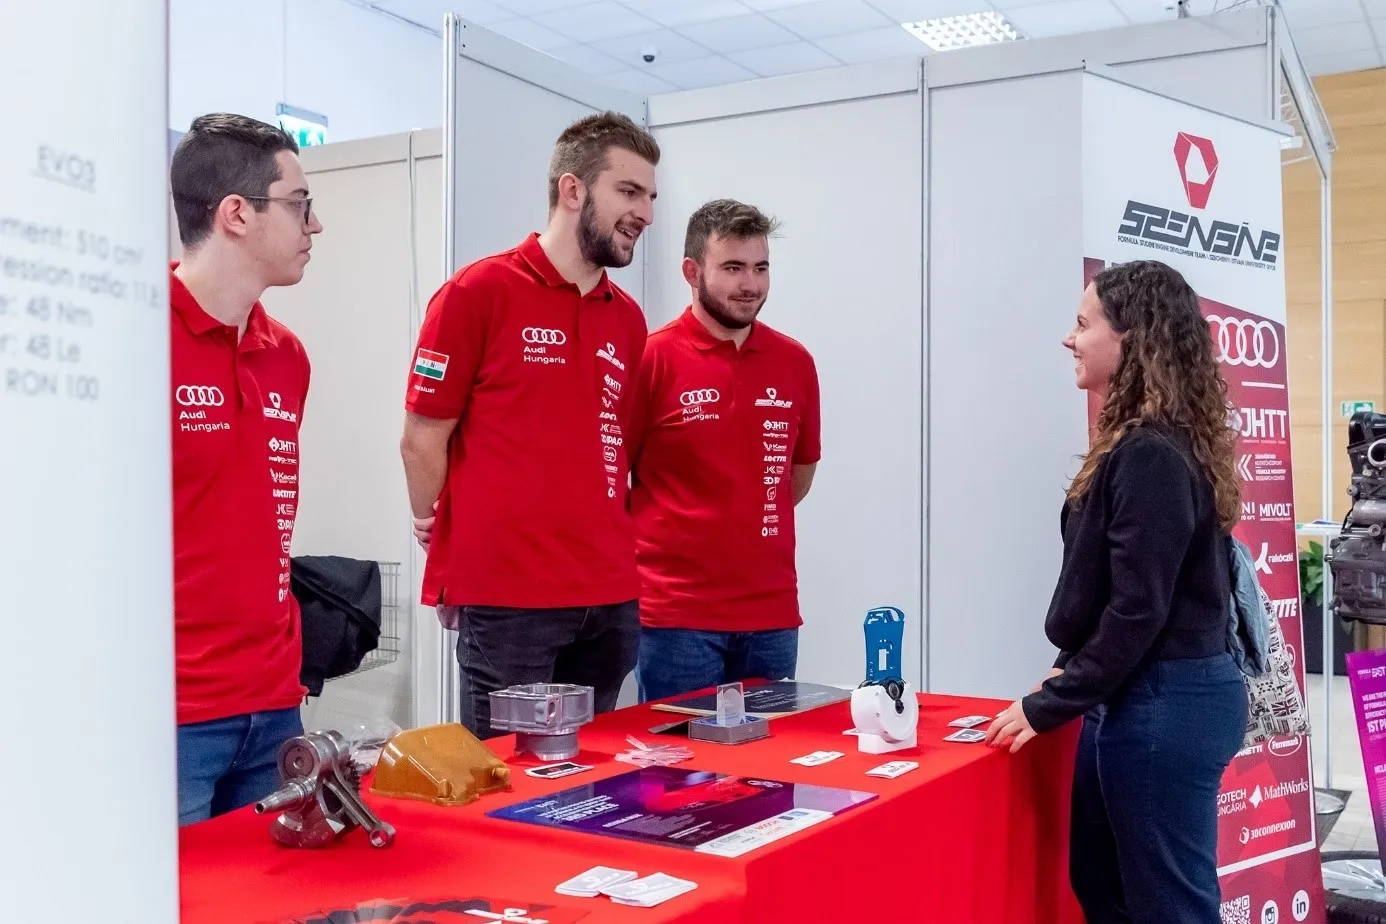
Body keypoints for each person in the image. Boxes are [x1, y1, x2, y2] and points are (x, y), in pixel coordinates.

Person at [984, 260, 1246, 923]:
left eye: (1082, 324)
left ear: (1131, 339)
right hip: (1139, 696)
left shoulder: (1152, 454)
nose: (1068, 339)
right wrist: (1073, 672)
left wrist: (1054, 699)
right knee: (1105, 887)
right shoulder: (1141, 444)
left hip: (1167, 701)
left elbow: (1138, 608)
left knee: (1169, 907)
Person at [400, 111, 660, 737]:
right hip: (511, 604)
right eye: (629, 192)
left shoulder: (626, 319)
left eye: (651, 197)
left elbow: (615, 447)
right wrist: (436, 527)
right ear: (573, 191)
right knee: (507, 789)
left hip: (610, 599)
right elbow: (421, 436)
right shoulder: (477, 292)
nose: (646, 213)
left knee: (590, 788)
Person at [168, 113, 324, 824]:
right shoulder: (136, 339)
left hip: (273, 707)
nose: (314, 226)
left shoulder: (285, 355)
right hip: (168, 715)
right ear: (236, 213)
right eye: (298, 204)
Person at [626, 199, 821, 702]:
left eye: (760, 268)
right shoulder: (651, 358)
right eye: (732, 268)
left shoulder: (794, 361)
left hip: (772, 616)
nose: (750, 285)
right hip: (675, 617)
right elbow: (612, 475)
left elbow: (794, 478)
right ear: (692, 271)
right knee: (677, 771)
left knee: (768, 772)